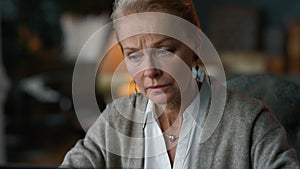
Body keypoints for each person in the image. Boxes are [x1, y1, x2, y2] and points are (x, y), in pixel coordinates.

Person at [60, 0, 300, 168]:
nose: (150, 71)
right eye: (134, 55)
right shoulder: (116, 120)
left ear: (195, 44)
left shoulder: (251, 122)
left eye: (164, 51)